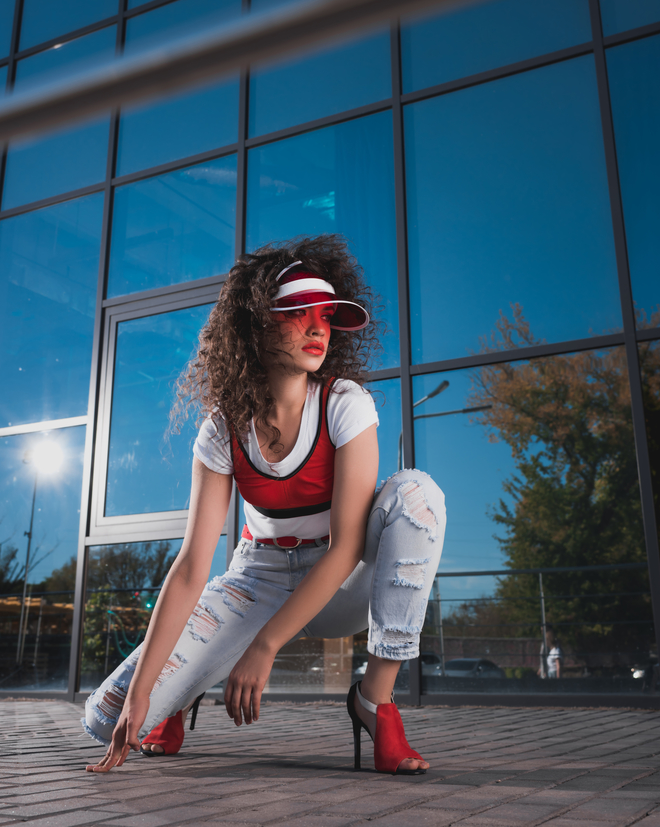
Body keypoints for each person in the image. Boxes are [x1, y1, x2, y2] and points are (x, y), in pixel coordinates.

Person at [83, 235, 446, 776]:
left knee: (417, 494)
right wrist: (142, 692)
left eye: (326, 315)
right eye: (299, 313)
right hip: (258, 578)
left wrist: (265, 645)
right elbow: (191, 567)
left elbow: (347, 546)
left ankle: (376, 701)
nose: (318, 328)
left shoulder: (344, 403)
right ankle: (181, 693)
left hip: (342, 581)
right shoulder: (222, 428)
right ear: (255, 324)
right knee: (107, 716)